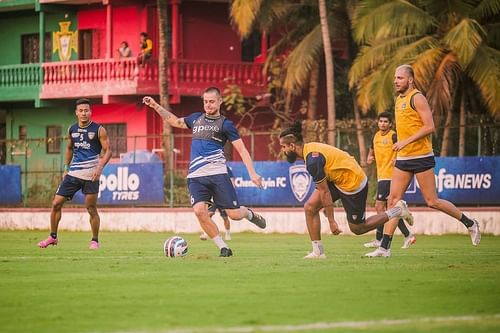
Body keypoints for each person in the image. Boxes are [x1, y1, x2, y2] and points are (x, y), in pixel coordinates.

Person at [365, 64, 481, 257]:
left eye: (400, 78)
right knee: (393, 202)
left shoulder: (417, 98)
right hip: (404, 158)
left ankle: (469, 223)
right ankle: (384, 248)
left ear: (410, 80)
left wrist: (405, 142)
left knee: (432, 201)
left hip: (421, 156)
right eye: (395, 78)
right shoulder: (398, 99)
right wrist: (402, 147)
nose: (396, 81)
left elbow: (430, 127)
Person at [143, 87, 266, 257]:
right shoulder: (195, 119)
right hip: (195, 176)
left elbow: (242, 150)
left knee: (235, 215)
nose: (208, 105)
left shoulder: (226, 124)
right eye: (205, 101)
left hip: (218, 175)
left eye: (212, 101)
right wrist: (155, 105)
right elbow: (174, 121)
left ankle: (249, 213)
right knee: (200, 211)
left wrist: (253, 173)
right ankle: (223, 248)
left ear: (220, 101)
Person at [279, 121, 413, 259]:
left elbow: (325, 192)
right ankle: (318, 252)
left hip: (353, 182)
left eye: (283, 147)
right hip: (337, 179)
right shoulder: (309, 151)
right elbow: (324, 189)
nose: (282, 150)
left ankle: (398, 210)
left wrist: (331, 221)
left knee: (358, 228)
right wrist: (326, 207)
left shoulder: (313, 160)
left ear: (292, 146)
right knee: (310, 207)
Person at [38, 98, 112, 250]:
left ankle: (95, 240)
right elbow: (69, 148)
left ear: (90, 112)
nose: (84, 113)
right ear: (76, 113)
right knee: (56, 203)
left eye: (86, 110)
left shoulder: (99, 130)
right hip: (73, 174)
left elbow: (108, 151)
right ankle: (52, 237)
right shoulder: (72, 129)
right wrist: (66, 168)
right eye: (81, 111)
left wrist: (100, 168)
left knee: (91, 208)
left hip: (91, 175)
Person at [364, 111, 416, 249]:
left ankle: (380, 239)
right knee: (389, 210)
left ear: (390, 124)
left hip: (390, 176)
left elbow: (402, 147)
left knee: (381, 208)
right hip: (382, 176)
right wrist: (370, 157)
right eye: (381, 121)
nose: (383, 123)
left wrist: (396, 158)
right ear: (377, 122)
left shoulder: (393, 135)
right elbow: (372, 149)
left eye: (386, 121)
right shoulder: (375, 136)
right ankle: (407, 235)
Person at [200, 165, 235, 241]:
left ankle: (227, 234)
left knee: (225, 217)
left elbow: (232, 182)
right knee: (209, 214)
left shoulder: (226, 168)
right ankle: (205, 234)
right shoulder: (209, 167)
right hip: (213, 196)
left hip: (222, 196)